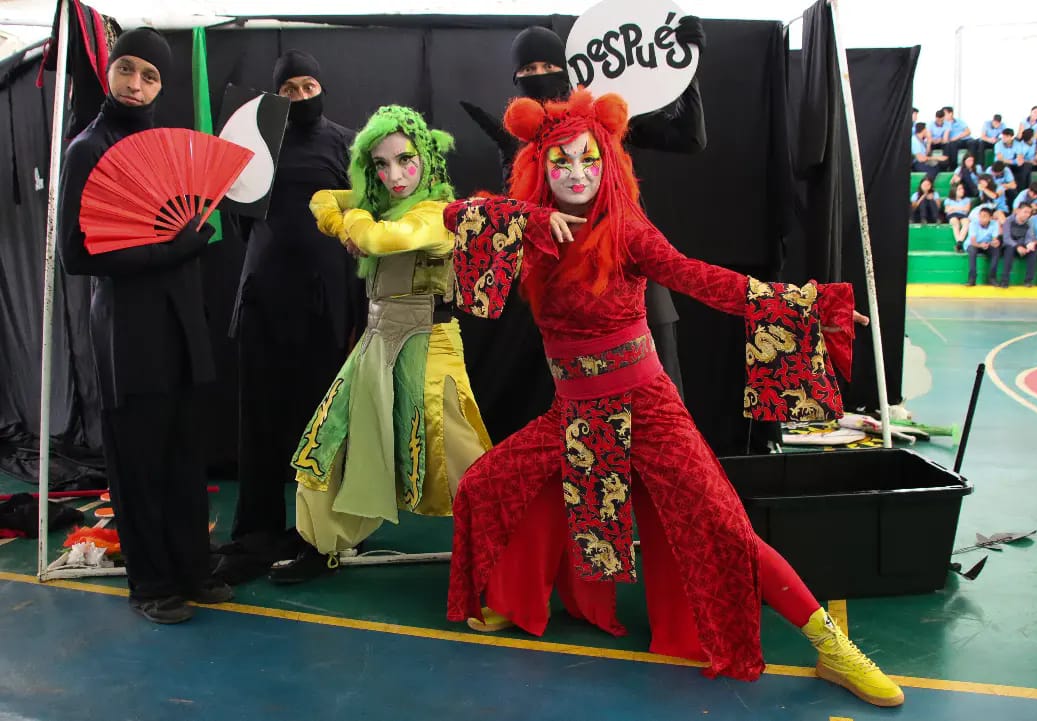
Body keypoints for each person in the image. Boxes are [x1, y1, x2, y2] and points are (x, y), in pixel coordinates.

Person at [442, 88, 903, 708]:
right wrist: (525, 218)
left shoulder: (627, 228)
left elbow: (701, 279)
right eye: (560, 163)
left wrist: (806, 306)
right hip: (576, 414)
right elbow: (455, 214)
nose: (576, 175)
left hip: (647, 406)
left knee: (724, 528)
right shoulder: (533, 230)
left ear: (608, 163)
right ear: (539, 168)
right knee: (486, 484)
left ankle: (831, 647)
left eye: (588, 160)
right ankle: (512, 598)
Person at [268, 105, 491, 583]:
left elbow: (386, 240)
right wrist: (352, 221)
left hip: (429, 348)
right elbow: (324, 198)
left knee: (458, 457)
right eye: (380, 165)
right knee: (331, 440)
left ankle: (505, 553)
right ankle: (324, 544)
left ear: (426, 157)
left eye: (405, 160)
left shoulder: (439, 211)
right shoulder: (381, 202)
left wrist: (357, 227)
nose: (394, 174)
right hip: (375, 342)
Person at [57, 28, 231, 623]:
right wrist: (173, 251)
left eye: (150, 76)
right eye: (127, 70)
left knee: (186, 453)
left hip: (182, 323)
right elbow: (76, 255)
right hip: (129, 332)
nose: (136, 85)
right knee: (138, 459)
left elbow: (196, 224)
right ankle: (151, 583)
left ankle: (193, 569)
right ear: (109, 71)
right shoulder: (87, 148)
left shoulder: (170, 145)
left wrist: (197, 238)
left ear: (163, 83)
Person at [460, 20, 707, 409]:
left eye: (547, 66)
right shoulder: (525, 138)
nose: (539, 77)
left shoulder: (605, 117)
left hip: (630, 270)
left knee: (662, 393)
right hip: (572, 291)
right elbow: (518, 218)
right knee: (588, 404)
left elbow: (689, 138)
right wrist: (515, 159)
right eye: (527, 71)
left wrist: (685, 69)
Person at [213, 50, 363, 585]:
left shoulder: (347, 142)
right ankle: (255, 534)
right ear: (277, 96)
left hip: (325, 303)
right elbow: (238, 219)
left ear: (321, 87)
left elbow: (362, 223)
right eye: (290, 90)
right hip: (263, 298)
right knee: (259, 420)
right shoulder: (253, 143)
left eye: (307, 86)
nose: (300, 97)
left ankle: (317, 538)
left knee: (319, 425)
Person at [1001, 202, 1037, 288]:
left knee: (1034, 251)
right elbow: (1006, 238)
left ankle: (1028, 280)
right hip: (1010, 245)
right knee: (1009, 250)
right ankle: (1004, 280)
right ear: (1018, 211)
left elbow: (1029, 237)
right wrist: (1017, 246)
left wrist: (1029, 244)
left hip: (1022, 245)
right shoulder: (1008, 221)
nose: (1027, 215)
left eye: (1029, 213)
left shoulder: (1029, 223)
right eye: (1025, 212)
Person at [964, 206, 1002, 286]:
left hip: (986, 244)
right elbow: (973, 241)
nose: (981, 218)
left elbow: (994, 239)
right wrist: (980, 245)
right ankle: (972, 279)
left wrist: (995, 242)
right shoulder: (973, 224)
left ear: (990, 218)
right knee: (972, 250)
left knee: (996, 250)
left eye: (984, 216)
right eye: (980, 216)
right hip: (974, 244)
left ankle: (992, 278)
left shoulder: (994, 224)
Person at [944, 183, 972, 251]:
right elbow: (947, 210)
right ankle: (959, 242)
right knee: (955, 223)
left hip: (963, 215)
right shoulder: (948, 200)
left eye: (962, 188)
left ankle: (959, 243)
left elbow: (967, 209)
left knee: (966, 223)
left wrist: (953, 208)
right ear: (954, 190)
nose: (962, 190)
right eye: (959, 189)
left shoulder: (967, 200)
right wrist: (961, 208)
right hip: (952, 215)